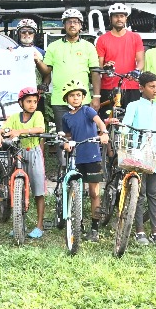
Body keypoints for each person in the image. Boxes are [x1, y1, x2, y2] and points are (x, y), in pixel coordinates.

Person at [119, 71, 156, 246]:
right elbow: (125, 127)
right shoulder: (134, 106)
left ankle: (155, 231)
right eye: (152, 86)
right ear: (141, 88)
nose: (155, 90)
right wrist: (125, 145)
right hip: (138, 154)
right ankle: (139, 230)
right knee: (139, 194)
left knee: (153, 194)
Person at [57, 79, 111, 241]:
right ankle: (77, 223)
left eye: (79, 95)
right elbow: (68, 135)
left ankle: (94, 228)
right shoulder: (66, 117)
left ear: (83, 97)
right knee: (76, 190)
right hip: (77, 157)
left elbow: (100, 123)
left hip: (92, 156)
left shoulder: (87, 111)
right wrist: (65, 142)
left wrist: (104, 133)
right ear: (66, 98)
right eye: (72, 95)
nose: (75, 98)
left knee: (94, 192)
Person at [0, 87, 48, 239]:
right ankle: (19, 223)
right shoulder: (14, 117)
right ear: (21, 103)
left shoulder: (38, 115)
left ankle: (39, 225)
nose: (32, 104)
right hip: (18, 153)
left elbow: (40, 128)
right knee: (16, 188)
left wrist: (20, 132)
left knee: (38, 190)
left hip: (34, 153)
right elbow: (4, 128)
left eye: (35, 101)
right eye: (28, 101)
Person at [42, 8, 98, 133]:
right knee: (62, 138)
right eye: (68, 22)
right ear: (64, 25)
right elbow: (46, 71)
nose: (72, 24)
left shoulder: (89, 46)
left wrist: (97, 96)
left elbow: (95, 72)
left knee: (84, 136)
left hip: (83, 100)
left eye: (75, 22)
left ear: (81, 25)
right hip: (59, 99)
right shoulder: (53, 46)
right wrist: (37, 60)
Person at [94, 2, 145, 116]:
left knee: (132, 122)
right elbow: (98, 66)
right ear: (111, 18)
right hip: (109, 87)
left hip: (131, 86)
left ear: (126, 18)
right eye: (116, 16)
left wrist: (136, 70)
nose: (119, 19)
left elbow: (141, 60)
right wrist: (105, 67)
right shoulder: (102, 40)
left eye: (122, 16)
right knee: (108, 120)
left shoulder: (135, 37)